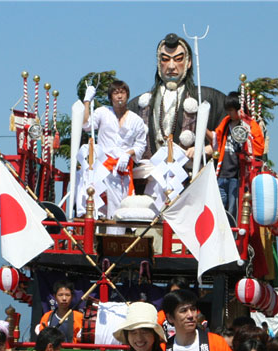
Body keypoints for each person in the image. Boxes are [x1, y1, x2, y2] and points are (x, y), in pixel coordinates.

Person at [128, 33, 225, 160]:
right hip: (150, 175)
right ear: (158, 63)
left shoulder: (209, 98)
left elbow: (232, 137)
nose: (171, 66)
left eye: (178, 59)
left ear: (188, 62)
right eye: (165, 59)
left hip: (192, 174)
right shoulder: (137, 105)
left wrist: (206, 149)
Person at [82, 79, 147, 220]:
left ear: (127, 95)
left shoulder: (136, 120)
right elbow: (86, 125)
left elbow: (141, 145)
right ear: (110, 97)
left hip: (123, 170)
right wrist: (87, 101)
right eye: (115, 93)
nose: (119, 96)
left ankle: (118, 240)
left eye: (122, 92)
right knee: (99, 207)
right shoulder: (102, 112)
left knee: (122, 208)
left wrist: (128, 154)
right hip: (103, 170)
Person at [211, 91, 265, 220]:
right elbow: (216, 139)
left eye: (231, 110)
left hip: (237, 175)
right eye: (227, 110)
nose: (229, 113)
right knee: (220, 205)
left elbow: (258, 149)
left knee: (233, 208)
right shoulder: (225, 125)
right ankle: (220, 234)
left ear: (238, 109)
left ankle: (233, 236)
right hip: (222, 172)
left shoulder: (250, 125)